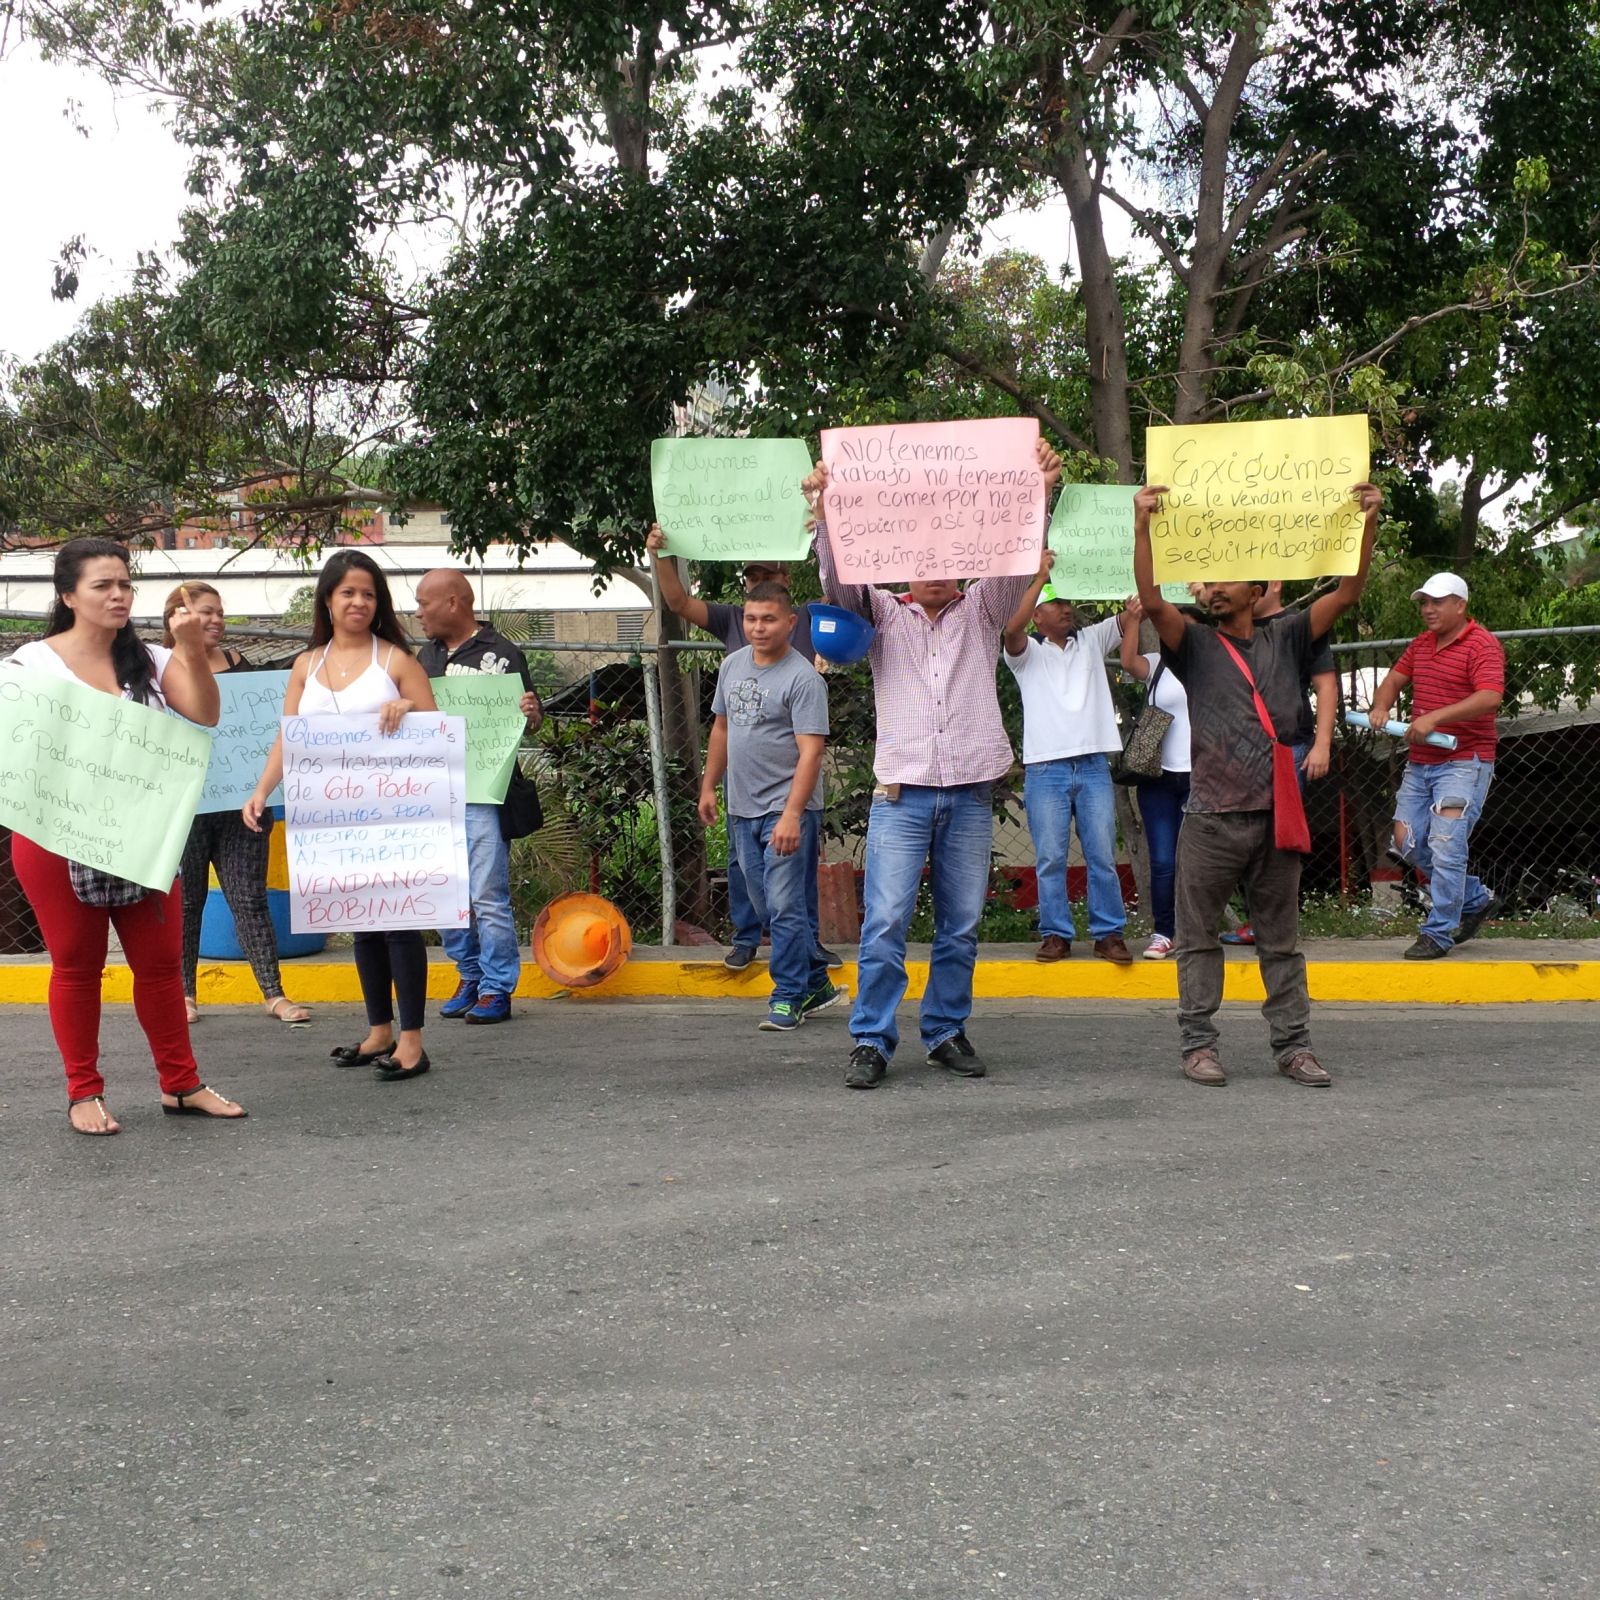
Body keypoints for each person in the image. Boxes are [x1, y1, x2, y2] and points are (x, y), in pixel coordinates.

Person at [809, 437, 1064, 1089]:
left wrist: (1039, 488)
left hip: (971, 796)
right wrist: (829, 515)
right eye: (922, 559)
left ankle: (946, 1030)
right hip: (900, 796)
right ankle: (871, 1039)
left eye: (951, 558)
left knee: (961, 923)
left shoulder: (982, 608)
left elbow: (1013, 553)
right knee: (886, 921)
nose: (937, 569)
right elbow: (839, 580)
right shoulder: (882, 618)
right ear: (898, 563)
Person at [1132, 480, 1382, 1089]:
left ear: (1257, 587)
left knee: (1281, 941)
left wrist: (1366, 523)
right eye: (1207, 580)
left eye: (1225, 580)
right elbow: (1150, 596)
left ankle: (1293, 1048)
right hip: (1211, 818)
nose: (1212, 589)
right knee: (1196, 941)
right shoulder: (1192, 642)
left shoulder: (1291, 634)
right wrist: (1142, 528)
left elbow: (1349, 590)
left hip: (1276, 817)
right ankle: (1198, 1046)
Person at [3, 538, 246, 1134]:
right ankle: (83, 1093)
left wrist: (189, 649)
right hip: (56, 837)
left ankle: (182, 1084)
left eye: (125, 585)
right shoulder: (28, 666)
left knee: (161, 967)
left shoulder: (154, 661)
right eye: (102, 586)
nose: (118, 596)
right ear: (68, 596)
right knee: (77, 966)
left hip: (143, 835)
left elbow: (207, 714)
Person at [244, 551, 440, 1081]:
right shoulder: (307, 664)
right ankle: (379, 1031)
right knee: (363, 927)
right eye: (348, 592)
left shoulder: (395, 659)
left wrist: (407, 709)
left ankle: (413, 1042)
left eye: (369, 593)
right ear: (327, 599)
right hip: (334, 817)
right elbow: (290, 736)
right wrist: (262, 789)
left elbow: (437, 729)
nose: (359, 602)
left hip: (395, 814)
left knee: (398, 924)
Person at [645, 524, 840, 972]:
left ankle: (800, 969)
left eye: (766, 575)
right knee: (748, 875)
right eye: (751, 578)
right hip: (744, 789)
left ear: (787, 586)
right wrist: (661, 554)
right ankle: (750, 938)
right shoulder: (734, 626)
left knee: (793, 880)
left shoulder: (809, 623)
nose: (757, 588)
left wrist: (825, 522)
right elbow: (678, 603)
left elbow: (850, 617)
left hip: (790, 783)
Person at [164, 582, 312, 1028]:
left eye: (220, 613)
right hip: (183, 809)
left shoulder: (243, 668)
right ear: (177, 617)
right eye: (206, 613)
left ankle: (273, 993)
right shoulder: (160, 670)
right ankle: (184, 994)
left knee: (249, 898)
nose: (215, 621)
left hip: (241, 806)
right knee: (185, 904)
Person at [698, 582, 844, 1031]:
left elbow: (811, 752)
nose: (758, 627)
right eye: (751, 618)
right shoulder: (731, 666)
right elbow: (722, 730)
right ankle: (816, 981)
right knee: (766, 907)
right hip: (742, 808)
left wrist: (793, 815)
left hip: (787, 811)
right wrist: (709, 787)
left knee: (783, 906)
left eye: (769, 619)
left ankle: (787, 997)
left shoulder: (804, 679)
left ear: (790, 623)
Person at [414, 568, 544, 1023]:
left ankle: (496, 987)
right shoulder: (422, 658)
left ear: (453, 603)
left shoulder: (503, 654)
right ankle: (468, 974)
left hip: (485, 795)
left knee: (487, 892)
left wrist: (532, 712)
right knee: (445, 891)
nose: (418, 614)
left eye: (424, 604)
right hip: (435, 795)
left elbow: (530, 717)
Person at [1001, 551, 1135, 964]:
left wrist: (1136, 605)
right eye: (1055, 604)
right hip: (1046, 767)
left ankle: (1108, 933)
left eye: (1067, 603)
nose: (1066, 610)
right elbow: (1010, 628)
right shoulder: (1025, 655)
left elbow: (1131, 616)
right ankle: (1056, 933)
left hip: (1092, 763)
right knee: (1050, 856)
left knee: (1100, 854)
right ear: (1037, 616)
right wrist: (1040, 577)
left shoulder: (1091, 640)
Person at [1366, 572, 1505, 960]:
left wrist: (1435, 718)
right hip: (1422, 761)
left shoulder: (1482, 645)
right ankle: (1474, 897)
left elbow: (1490, 697)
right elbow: (1394, 680)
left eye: (1436, 602)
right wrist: (1381, 705)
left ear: (1460, 605)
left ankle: (1439, 931)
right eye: (1424, 602)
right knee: (1405, 842)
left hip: (1464, 760)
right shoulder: (1422, 645)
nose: (1428, 609)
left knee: (1446, 845)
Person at [1222, 580, 1340, 947]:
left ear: (1273, 584)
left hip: (1288, 749)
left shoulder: (1301, 625)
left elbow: (1325, 685)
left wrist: (1322, 745)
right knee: (1244, 837)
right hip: (1236, 753)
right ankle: (1261, 920)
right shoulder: (1227, 627)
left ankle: (1274, 923)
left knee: (1280, 838)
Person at [1119, 595, 1192, 959]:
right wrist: (1133, 620)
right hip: (1159, 778)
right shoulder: (1158, 665)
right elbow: (1128, 663)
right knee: (1163, 859)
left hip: (1202, 777)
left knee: (1199, 859)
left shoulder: (1216, 665)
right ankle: (1164, 932)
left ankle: (1196, 931)